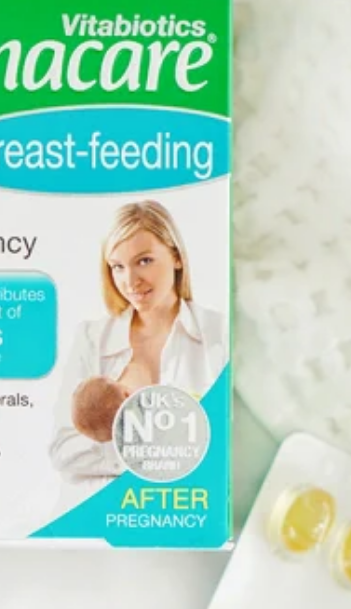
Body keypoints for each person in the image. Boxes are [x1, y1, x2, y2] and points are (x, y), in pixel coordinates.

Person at [49, 199, 228, 498]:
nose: (130, 281)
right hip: (108, 512)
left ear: (176, 257)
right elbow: (64, 450)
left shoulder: (219, 335)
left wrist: (116, 445)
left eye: (144, 261)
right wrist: (154, 453)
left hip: (188, 507)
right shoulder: (92, 338)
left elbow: (224, 444)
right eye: (117, 267)